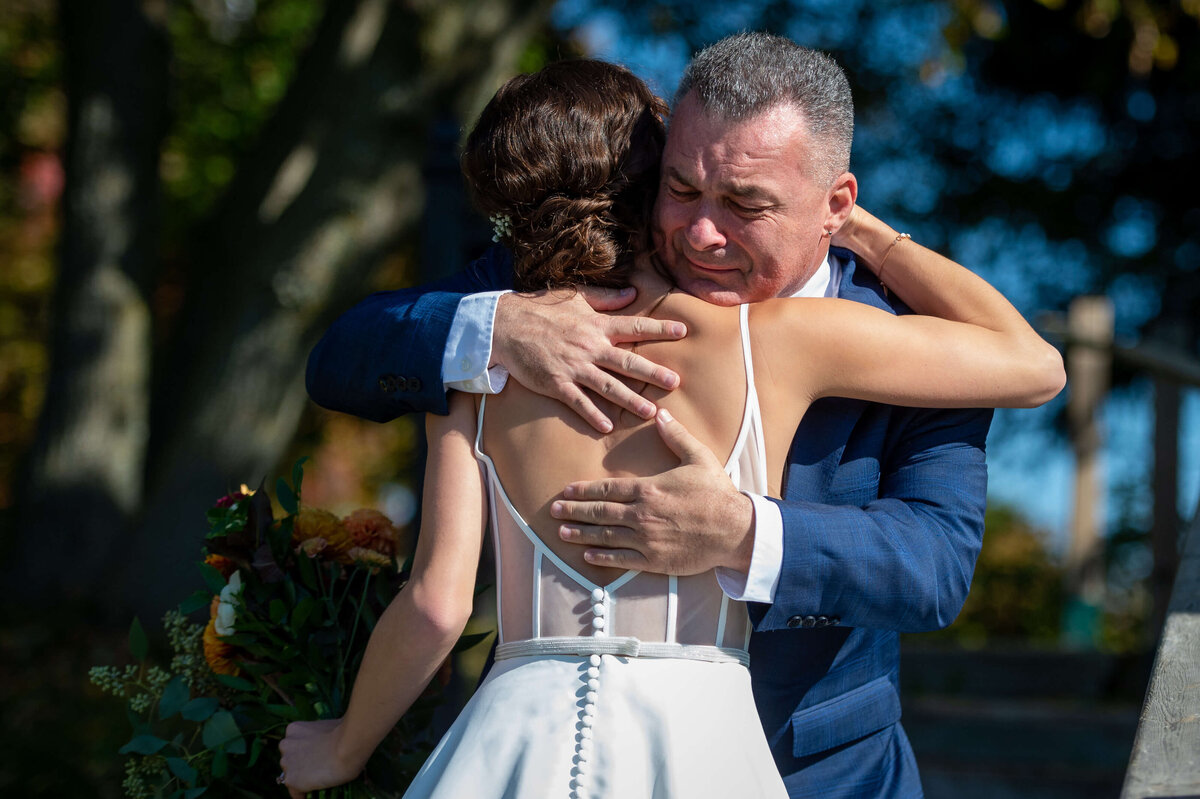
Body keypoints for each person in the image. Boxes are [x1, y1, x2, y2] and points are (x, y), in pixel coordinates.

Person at [284, 55, 1063, 798]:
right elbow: (349, 350)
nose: (701, 234)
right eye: (681, 189)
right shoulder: (506, 321)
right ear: (645, 179)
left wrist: (744, 532)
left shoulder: (884, 331)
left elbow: (934, 564)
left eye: (746, 204)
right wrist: (492, 328)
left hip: (814, 767)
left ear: (834, 201)